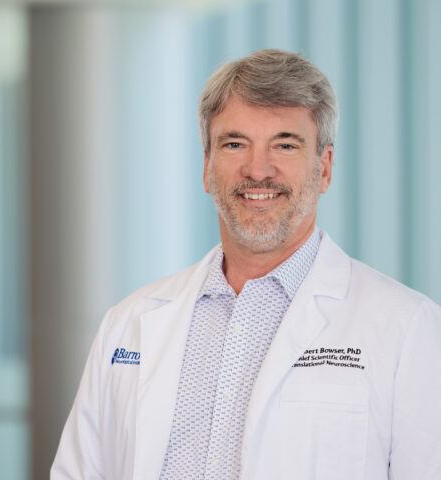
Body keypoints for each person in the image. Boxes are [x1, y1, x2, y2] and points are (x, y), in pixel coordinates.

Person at [50, 49, 441, 480]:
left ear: (324, 168)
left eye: (286, 145)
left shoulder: (407, 328)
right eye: (235, 144)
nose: (258, 170)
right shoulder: (130, 322)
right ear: (206, 166)